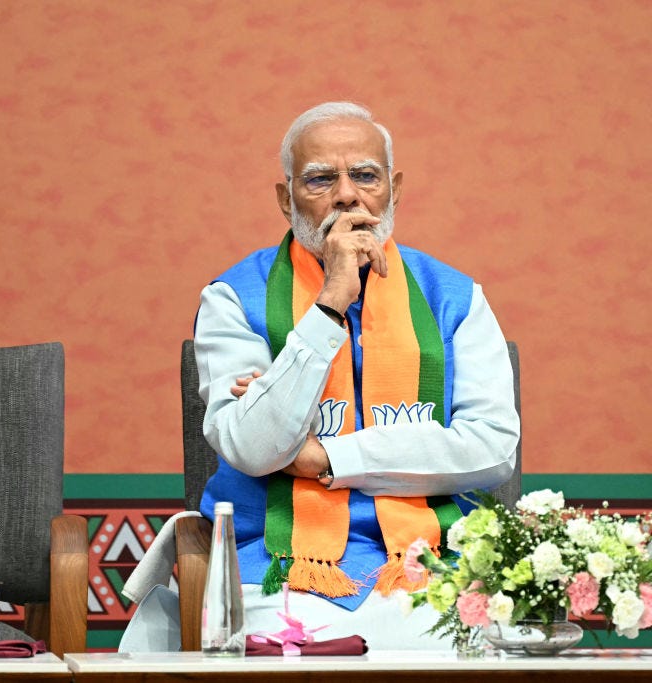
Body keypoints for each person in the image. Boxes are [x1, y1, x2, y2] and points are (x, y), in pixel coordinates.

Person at [193, 101, 520, 649]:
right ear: (285, 198)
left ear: (394, 189)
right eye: (320, 179)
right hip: (276, 568)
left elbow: (492, 449)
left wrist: (328, 459)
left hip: (433, 567)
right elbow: (252, 448)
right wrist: (327, 306)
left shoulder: (457, 297)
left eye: (365, 176)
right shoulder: (232, 297)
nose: (346, 195)